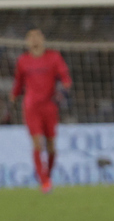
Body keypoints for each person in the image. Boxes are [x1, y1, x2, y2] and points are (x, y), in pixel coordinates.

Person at [10, 28, 72, 193]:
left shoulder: (54, 57)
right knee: (38, 143)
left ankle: (48, 176)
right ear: (27, 41)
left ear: (43, 39)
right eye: (30, 37)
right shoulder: (23, 60)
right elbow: (18, 83)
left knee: (51, 147)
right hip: (31, 107)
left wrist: (65, 87)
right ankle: (44, 182)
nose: (34, 39)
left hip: (50, 106)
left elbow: (65, 77)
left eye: (37, 36)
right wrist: (13, 96)